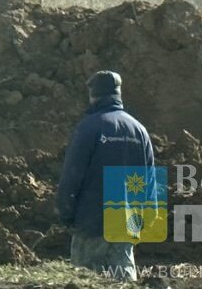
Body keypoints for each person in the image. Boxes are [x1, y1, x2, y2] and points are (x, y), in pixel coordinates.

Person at [55, 70, 155, 281]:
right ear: (118, 94)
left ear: (93, 95)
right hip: (127, 224)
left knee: (86, 280)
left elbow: (72, 175)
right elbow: (150, 180)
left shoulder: (88, 127)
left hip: (92, 223)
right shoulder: (139, 130)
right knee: (123, 280)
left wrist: (65, 213)